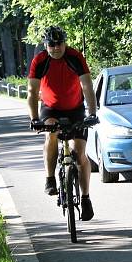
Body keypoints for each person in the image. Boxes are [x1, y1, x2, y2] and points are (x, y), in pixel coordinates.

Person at [28, 26, 98, 220]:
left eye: (59, 43)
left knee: (79, 152)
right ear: (45, 45)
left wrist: (92, 113)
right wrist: (34, 118)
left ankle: (85, 198)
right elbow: (32, 92)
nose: (56, 48)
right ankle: (50, 179)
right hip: (51, 108)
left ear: (65, 43)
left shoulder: (75, 57)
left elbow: (87, 86)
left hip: (75, 108)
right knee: (50, 132)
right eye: (51, 44)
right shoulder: (40, 61)